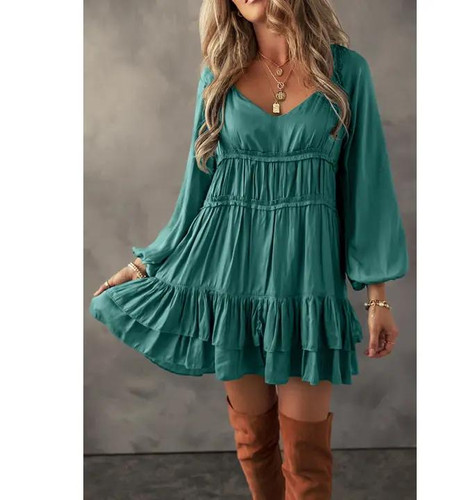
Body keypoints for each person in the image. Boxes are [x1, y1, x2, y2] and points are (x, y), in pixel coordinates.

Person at [89, 0, 409, 498]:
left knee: (306, 460)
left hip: (306, 288)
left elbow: (368, 189)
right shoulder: (219, 76)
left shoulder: (346, 72)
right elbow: (195, 193)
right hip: (230, 284)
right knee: (254, 444)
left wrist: (377, 297)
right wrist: (145, 262)